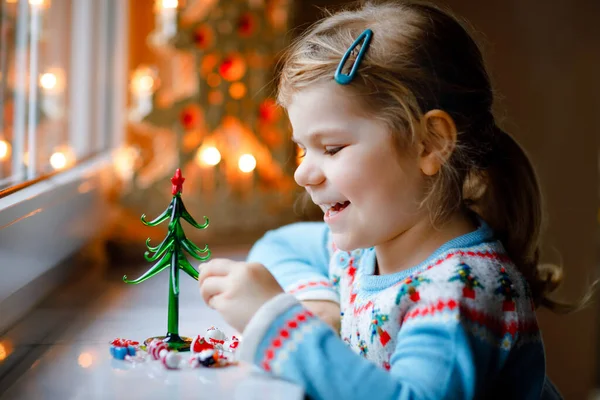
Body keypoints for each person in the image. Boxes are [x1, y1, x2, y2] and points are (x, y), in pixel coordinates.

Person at [198, 1, 589, 398]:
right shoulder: (365, 251)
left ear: (429, 143)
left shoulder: (460, 292)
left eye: (331, 148)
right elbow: (278, 245)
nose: (302, 173)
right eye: (302, 149)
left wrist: (276, 323)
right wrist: (320, 303)